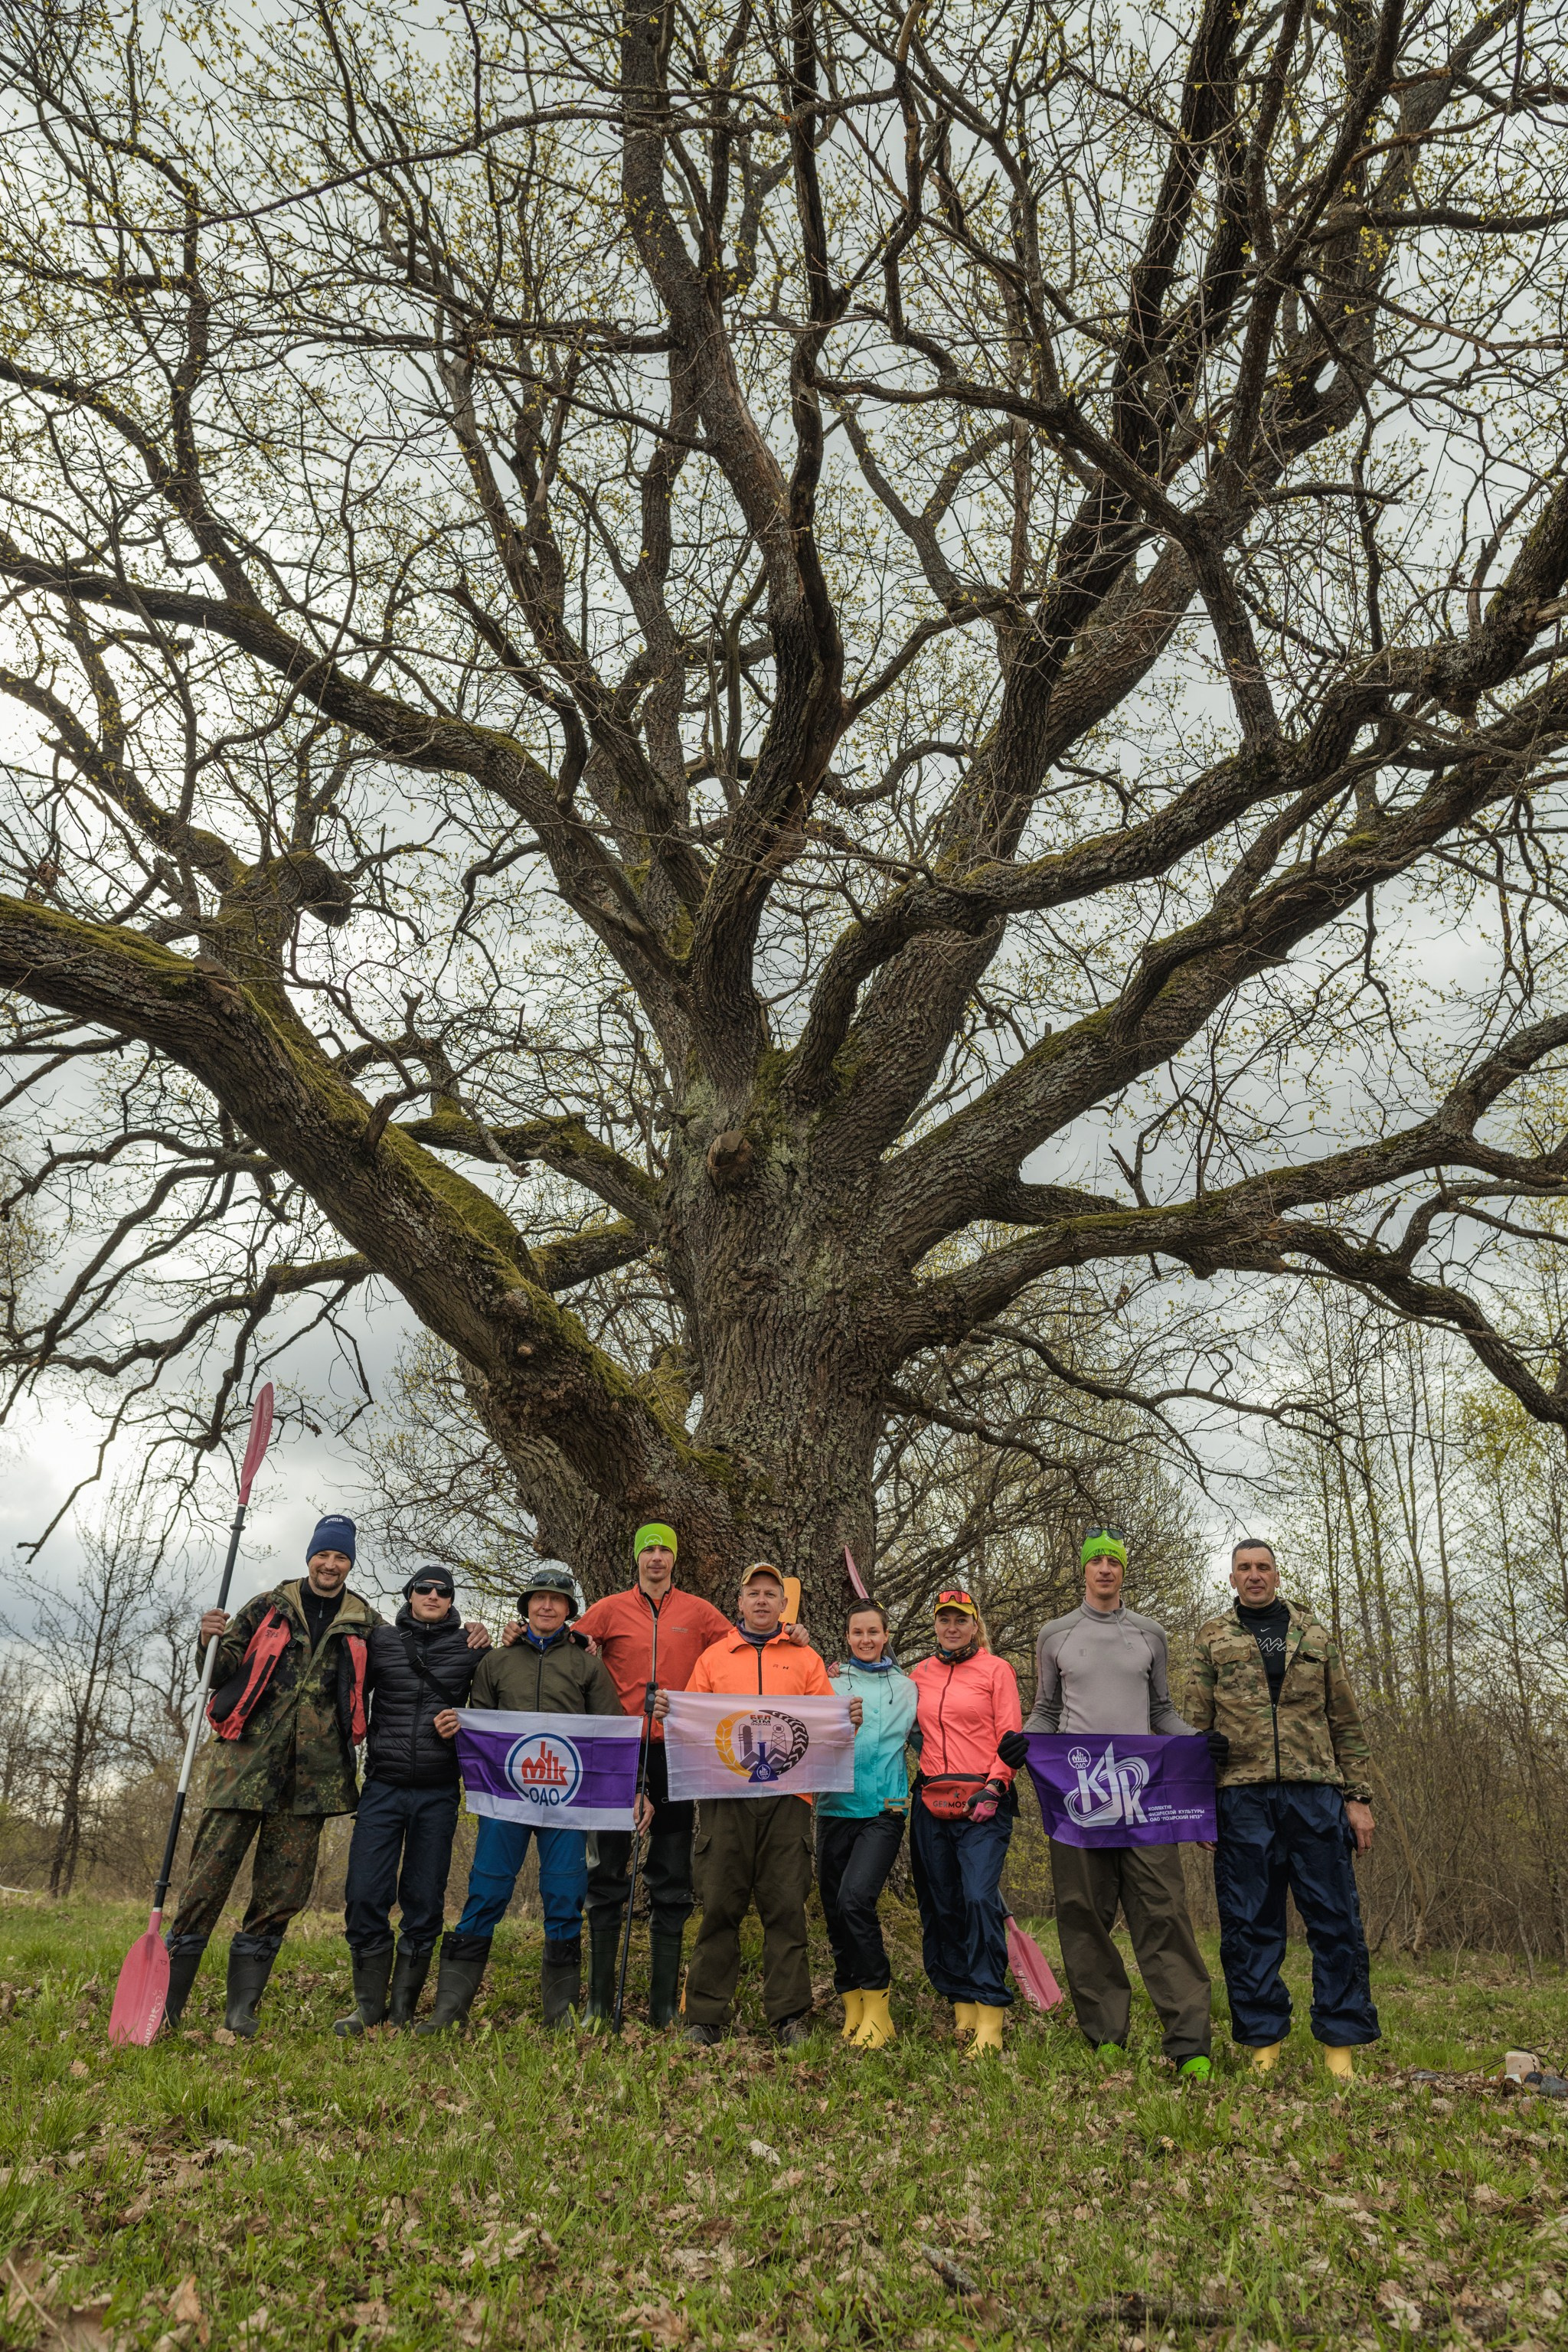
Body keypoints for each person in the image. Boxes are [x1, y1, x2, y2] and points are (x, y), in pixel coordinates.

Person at [1001, 1525, 1214, 2080]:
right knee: (1083, 1915)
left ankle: (1190, 2046)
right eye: (1096, 1560)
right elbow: (1046, 1711)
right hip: (1078, 1797)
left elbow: (1162, 1711)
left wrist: (1198, 1741)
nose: (1104, 1569)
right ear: (1084, 1569)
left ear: (1122, 1570)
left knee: (1164, 1912)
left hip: (1144, 1799)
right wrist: (1023, 1741)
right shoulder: (1055, 1634)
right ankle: (1105, 2038)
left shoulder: (1150, 1634)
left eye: (1113, 1561)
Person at [163, 1514, 380, 2038]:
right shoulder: (267, 1607)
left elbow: (401, 1669)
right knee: (203, 1888)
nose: (330, 1565)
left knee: (279, 1897)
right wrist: (206, 1640)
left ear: (350, 1564)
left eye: (341, 1557)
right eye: (323, 1555)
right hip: (243, 1770)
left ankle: (241, 2012)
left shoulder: (365, 1623)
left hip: (312, 1784)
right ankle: (166, 2006)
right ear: (310, 1557)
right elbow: (218, 1671)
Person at [1185, 1537, 1380, 2082]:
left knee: (1336, 1921)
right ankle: (1263, 2048)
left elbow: (1345, 1719)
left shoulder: (1314, 1634)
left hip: (1314, 1793)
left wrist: (1358, 1798)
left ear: (1276, 1575)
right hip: (1241, 1796)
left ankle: (1340, 2050)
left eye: (1263, 1567)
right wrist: (1198, 1804)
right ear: (1232, 1578)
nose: (1254, 1575)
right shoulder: (1212, 1636)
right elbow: (1195, 1726)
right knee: (1249, 1924)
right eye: (1244, 1568)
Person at [654, 1563, 855, 2047]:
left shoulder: (805, 1658)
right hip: (725, 1799)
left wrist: (847, 1716)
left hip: (789, 1799)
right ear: (739, 1603)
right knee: (719, 1904)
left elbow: (825, 1722)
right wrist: (668, 1713)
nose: (762, 1600)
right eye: (753, 1593)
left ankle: (789, 2016)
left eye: (770, 1594)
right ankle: (705, 2016)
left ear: (784, 1604)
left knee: (785, 1906)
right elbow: (692, 1723)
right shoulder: (714, 1657)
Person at [418, 1562, 622, 2034]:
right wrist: (458, 1726)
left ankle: (560, 2014)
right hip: (505, 1799)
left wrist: (628, 1791)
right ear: (526, 1606)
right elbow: (481, 1729)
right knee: (486, 1891)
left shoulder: (588, 1666)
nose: (547, 1606)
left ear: (569, 1610)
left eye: (557, 1600)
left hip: (567, 1803)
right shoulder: (496, 1662)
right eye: (539, 1598)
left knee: (564, 1896)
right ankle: (449, 2010)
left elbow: (609, 1736)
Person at [573, 1524, 736, 2027]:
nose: (657, 1557)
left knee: (671, 1872)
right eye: (649, 1549)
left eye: (665, 1549)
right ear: (637, 1558)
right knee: (606, 1870)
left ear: (675, 1559)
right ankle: (599, 2002)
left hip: (676, 1751)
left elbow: (744, 1647)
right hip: (617, 1748)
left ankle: (664, 2004)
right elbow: (565, 1643)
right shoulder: (609, 1609)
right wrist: (521, 1635)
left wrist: (791, 1635)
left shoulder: (699, 1612)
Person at [335, 1564, 490, 2036]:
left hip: (438, 1792)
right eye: (424, 1588)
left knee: (424, 1900)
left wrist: (464, 1722)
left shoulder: (472, 1648)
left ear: (451, 1600)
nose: (433, 1595)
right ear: (409, 1594)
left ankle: (402, 2008)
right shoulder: (381, 1641)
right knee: (364, 1894)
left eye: (443, 1591)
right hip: (382, 1786)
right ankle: (368, 2007)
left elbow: (499, 1704)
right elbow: (344, 1685)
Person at [908, 1589, 1023, 2057]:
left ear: (975, 1625)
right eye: (944, 1619)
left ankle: (990, 2011)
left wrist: (996, 1786)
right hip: (931, 1800)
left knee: (978, 1898)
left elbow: (1010, 1736)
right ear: (935, 1625)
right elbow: (885, 1704)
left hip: (983, 1802)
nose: (952, 1627)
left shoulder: (996, 1670)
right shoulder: (919, 1673)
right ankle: (961, 2004)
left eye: (961, 1619)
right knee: (942, 1903)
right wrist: (841, 1676)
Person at [817, 1601, 917, 2049]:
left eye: (873, 1632)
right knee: (835, 1910)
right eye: (857, 1632)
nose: (865, 1639)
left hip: (886, 1810)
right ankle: (852, 2003)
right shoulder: (829, 1683)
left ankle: (879, 2007)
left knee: (855, 1899)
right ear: (847, 1637)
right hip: (834, 1808)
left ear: (886, 1635)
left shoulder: (908, 1688)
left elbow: (934, 1738)